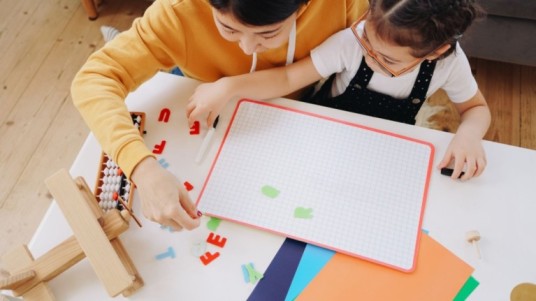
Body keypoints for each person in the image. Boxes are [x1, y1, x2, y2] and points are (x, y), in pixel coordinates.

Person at [71, 0, 369, 231]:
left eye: (269, 33)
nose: (247, 46)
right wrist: (143, 170)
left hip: (293, 116)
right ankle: (125, 40)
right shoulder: (178, 11)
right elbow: (93, 80)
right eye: (229, 29)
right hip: (204, 110)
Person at [187, 0, 491, 182]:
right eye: (367, 43)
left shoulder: (450, 64)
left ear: (435, 53)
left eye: (386, 59)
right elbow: (288, 79)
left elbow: (476, 109)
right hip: (323, 131)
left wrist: (468, 136)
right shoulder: (352, 42)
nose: (369, 55)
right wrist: (230, 86)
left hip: (383, 147)